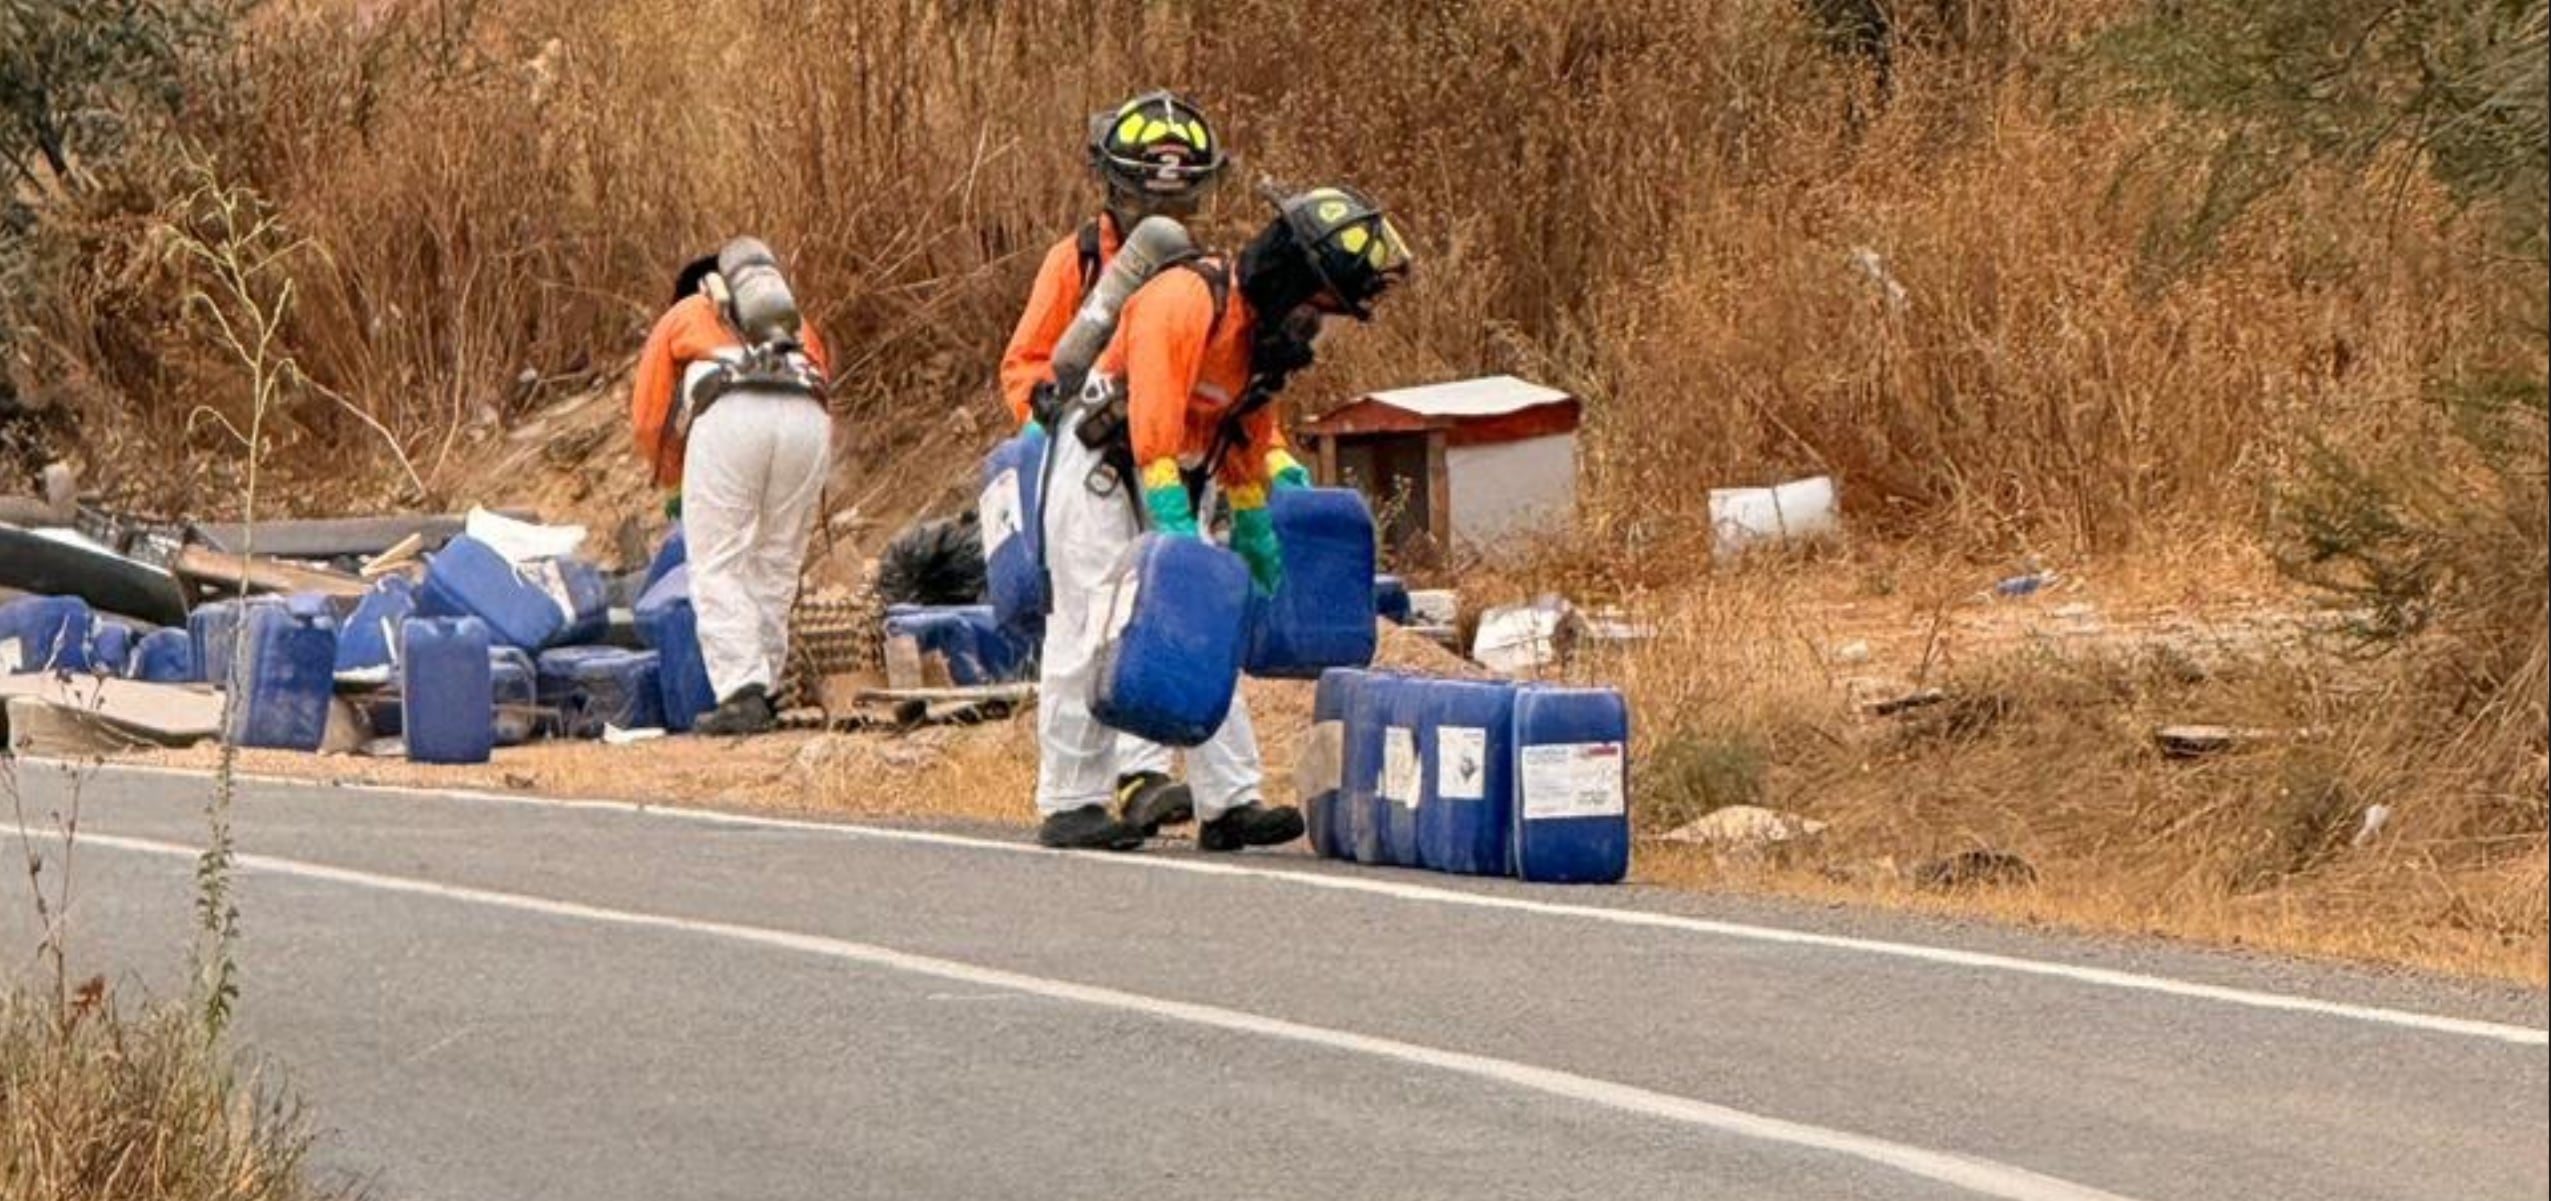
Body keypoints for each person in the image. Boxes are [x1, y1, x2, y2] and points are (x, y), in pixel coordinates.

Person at [1034, 184, 1413, 850]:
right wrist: (1176, 526)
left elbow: (1240, 438)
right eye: (1319, 310)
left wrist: (1253, 525)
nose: (1317, 328)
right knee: (1090, 620)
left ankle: (1230, 800)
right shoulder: (1183, 300)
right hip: (1100, 462)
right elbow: (1152, 415)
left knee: (1211, 623)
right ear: (1296, 283)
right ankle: (1071, 800)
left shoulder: (1258, 347)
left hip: (1177, 476)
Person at [999, 89, 1227, 837]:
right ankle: (1073, 794)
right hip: (1091, 451)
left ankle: (1148, 776)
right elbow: (1026, 364)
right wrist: (1051, 419)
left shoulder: (1199, 273)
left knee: (1163, 614)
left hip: (1169, 458)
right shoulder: (1078, 261)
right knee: (1088, 618)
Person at [630, 238, 833, 736]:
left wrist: (673, 476)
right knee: (777, 560)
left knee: (718, 561)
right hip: (807, 419)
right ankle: (765, 686)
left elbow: (649, 416)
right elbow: (822, 382)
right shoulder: (794, 322)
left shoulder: (683, 315)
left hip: (732, 416)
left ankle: (742, 691)